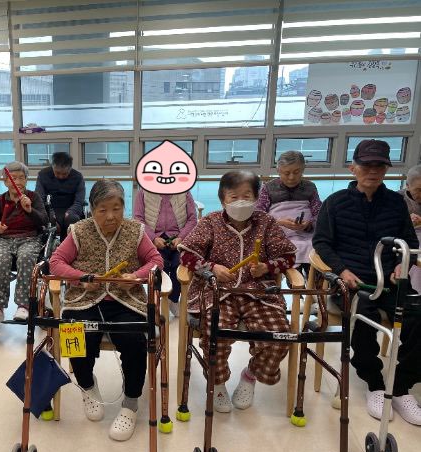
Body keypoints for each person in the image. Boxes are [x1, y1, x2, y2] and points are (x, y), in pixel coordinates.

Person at [313, 139, 421, 425]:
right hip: (353, 282)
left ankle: (400, 386)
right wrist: (342, 270)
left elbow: (409, 243)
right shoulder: (335, 203)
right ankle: (374, 383)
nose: (372, 171)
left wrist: (402, 263)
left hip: (391, 281)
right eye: (366, 165)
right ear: (353, 168)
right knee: (362, 318)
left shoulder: (396, 203)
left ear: (386, 169)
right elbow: (321, 243)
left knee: (418, 317)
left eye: (379, 166)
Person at [49, 179, 163, 441]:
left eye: (116, 209)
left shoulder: (135, 230)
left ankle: (130, 404)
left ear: (124, 207)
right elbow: (56, 262)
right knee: (74, 334)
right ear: (92, 209)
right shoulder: (79, 230)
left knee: (134, 341)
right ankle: (87, 386)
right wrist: (81, 278)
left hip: (125, 299)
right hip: (84, 299)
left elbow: (156, 260)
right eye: (103, 210)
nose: (110, 216)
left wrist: (136, 276)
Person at [178, 170, 297, 413]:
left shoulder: (266, 222)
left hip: (258, 293)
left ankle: (250, 375)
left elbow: (288, 257)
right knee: (215, 333)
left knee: (279, 334)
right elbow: (187, 255)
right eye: (234, 197)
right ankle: (218, 383)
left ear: (256, 198)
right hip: (218, 291)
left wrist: (266, 267)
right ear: (223, 199)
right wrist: (212, 267)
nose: (240, 202)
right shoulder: (210, 222)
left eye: (247, 196)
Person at [0, 161, 48, 323]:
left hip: (29, 238)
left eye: (21, 178)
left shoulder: (34, 197)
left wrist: (30, 210)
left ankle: (23, 306)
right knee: (1, 258)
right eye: (13, 178)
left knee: (26, 257)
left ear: (26, 180)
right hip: (2, 239)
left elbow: (44, 221)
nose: (17, 182)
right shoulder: (0, 200)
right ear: (6, 182)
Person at [133, 187, 198, 316]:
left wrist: (181, 237)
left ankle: (173, 299)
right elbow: (138, 219)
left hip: (178, 238)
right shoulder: (143, 192)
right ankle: (157, 301)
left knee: (179, 264)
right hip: (153, 239)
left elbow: (192, 219)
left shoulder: (184, 192)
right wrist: (153, 238)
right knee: (158, 266)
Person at [255, 150, 322, 270]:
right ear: (278, 171)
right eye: (286, 173)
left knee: (316, 251)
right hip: (279, 235)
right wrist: (278, 222)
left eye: (296, 172)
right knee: (286, 251)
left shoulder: (310, 187)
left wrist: (308, 224)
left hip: (307, 235)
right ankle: (295, 278)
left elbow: (319, 213)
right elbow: (259, 214)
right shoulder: (268, 188)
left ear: (303, 169)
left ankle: (313, 278)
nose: (292, 177)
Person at [35, 152, 85, 241]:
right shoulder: (43, 175)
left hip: (71, 208)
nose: (61, 176)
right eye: (57, 173)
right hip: (50, 207)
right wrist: (51, 213)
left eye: (65, 174)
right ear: (52, 167)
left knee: (71, 219)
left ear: (70, 169)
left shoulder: (78, 177)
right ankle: (49, 246)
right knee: (48, 219)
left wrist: (71, 211)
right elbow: (39, 198)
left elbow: (79, 200)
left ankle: (68, 245)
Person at [399, 164, 421, 293]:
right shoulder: (398, 199)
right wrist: (406, 220)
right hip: (406, 240)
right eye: (419, 190)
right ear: (407, 185)